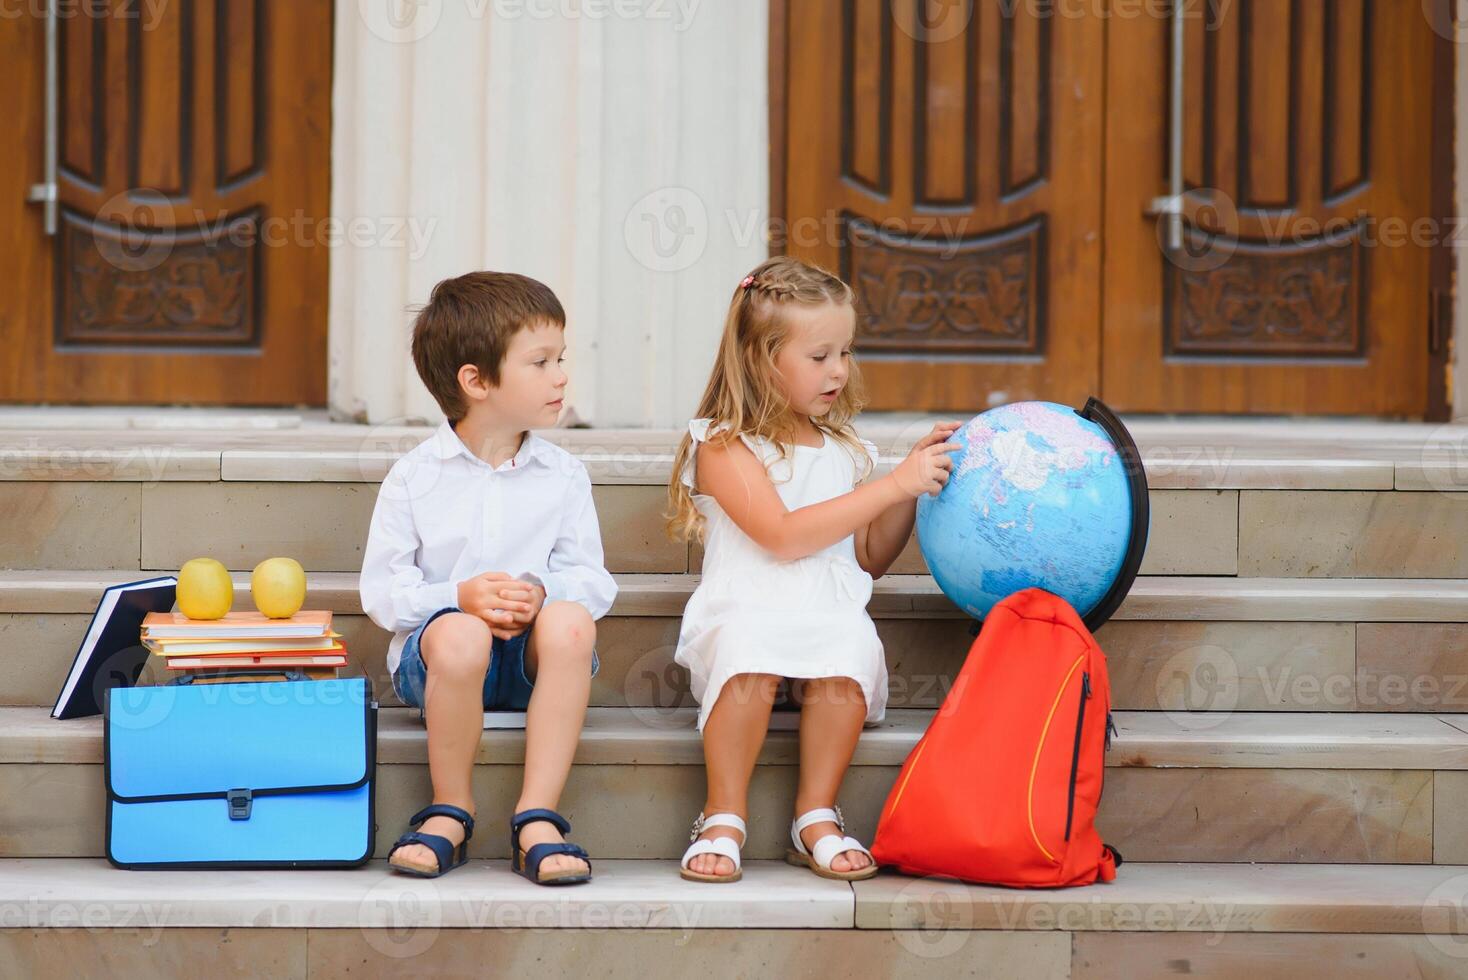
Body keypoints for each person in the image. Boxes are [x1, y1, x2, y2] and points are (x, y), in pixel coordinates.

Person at [665, 256, 961, 883]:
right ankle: (722, 815)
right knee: (749, 656)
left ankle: (816, 814)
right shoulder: (722, 443)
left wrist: (908, 484)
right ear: (759, 361)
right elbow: (782, 537)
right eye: (819, 355)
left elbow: (868, 557)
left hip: (823, 608)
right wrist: (888, 488)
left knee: (846, 647)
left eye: (845, 353)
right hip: (744, 608)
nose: (838, 370)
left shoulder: (843, 448)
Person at [360, 271, 616, 884]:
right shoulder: (415, 478)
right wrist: (460, 597)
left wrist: (543, 596)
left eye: (561, 358)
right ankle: (452, 809)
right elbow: (384, 595)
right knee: (460, 634)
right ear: (475, 381)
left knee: (573, 622)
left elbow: (594, 581)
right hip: (443, 666)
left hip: (533, 665)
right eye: (539, 362)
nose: (560, 376)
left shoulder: (563, 475)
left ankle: (537, 816)